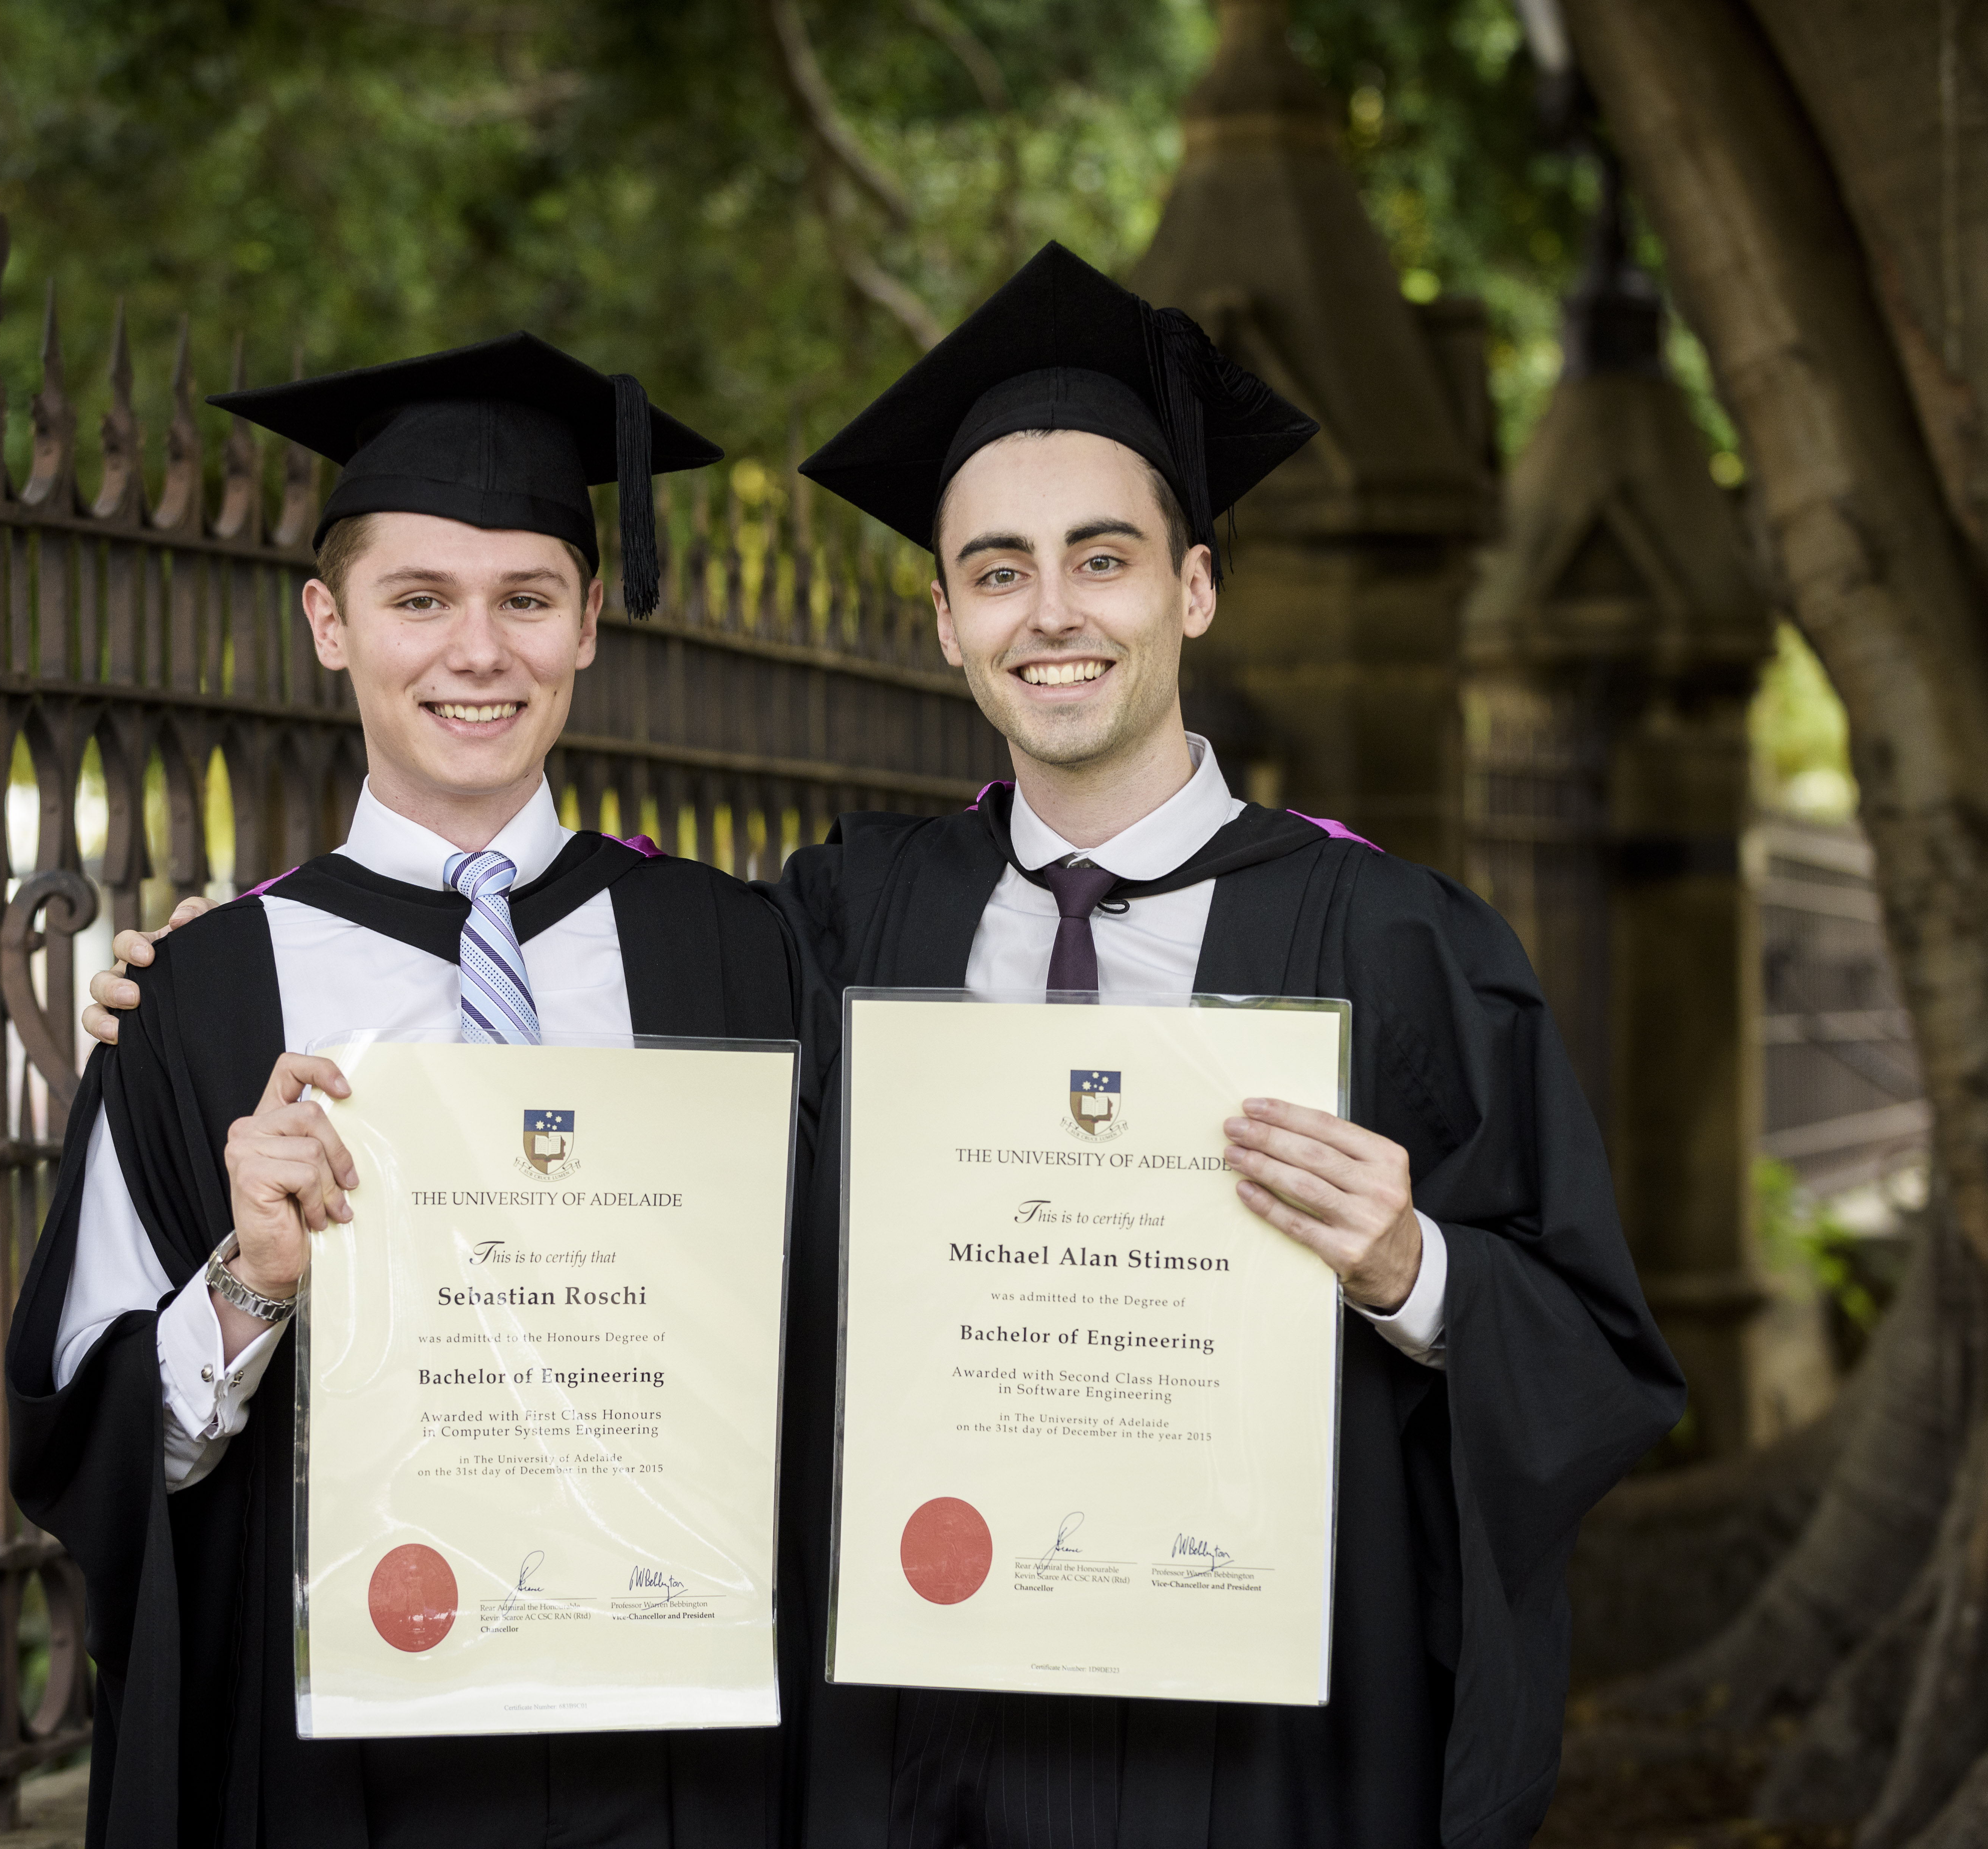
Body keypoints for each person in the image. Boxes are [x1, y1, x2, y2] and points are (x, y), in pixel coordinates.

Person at [90, 248, 1686, 1849]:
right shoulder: (847, 924)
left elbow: (1594, 1357)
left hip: (1257, 1756)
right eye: (997, 570)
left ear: (1192, 588)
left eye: (1102, 559)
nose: (1049, 612)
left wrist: (1409, 1267)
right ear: (943, 618)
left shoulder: (1395, 948)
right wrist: (195, 986)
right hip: (913, 1749)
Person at [8, 336, 799, 1849]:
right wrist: (249, 1281)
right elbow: (95, 1456)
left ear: (587, 626)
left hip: (675, 1740)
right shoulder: (204, 997)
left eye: (527, 599)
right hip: (331, 1752)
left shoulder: (731, 952)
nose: (476, 652)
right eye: (419, 599)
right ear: (329, 621)